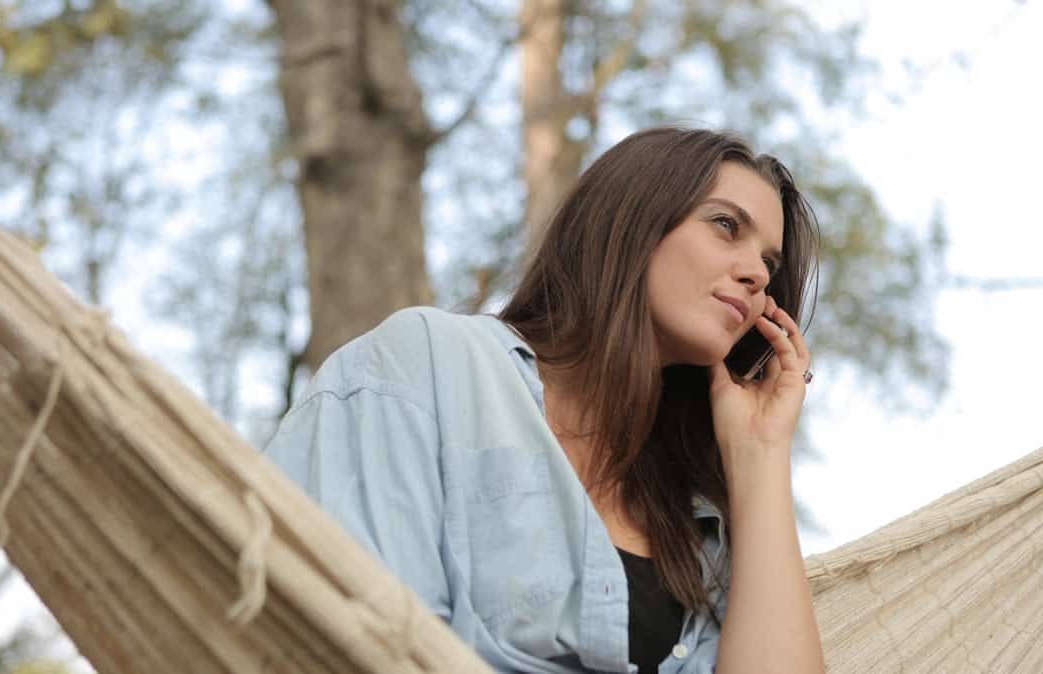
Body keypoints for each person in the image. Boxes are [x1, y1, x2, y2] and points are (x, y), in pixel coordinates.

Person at [262, 127, 825, 673]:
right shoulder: (430, 363)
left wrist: (759, 451)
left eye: (770, 264)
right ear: (631, 219)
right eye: (726, 225)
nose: (757, 274)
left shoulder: (704, 529)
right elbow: (351, 637)